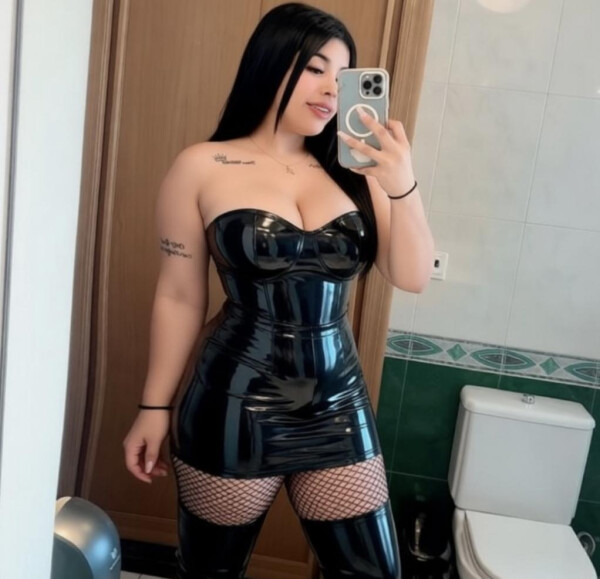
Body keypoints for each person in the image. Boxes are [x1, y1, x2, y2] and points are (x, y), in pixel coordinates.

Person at [122, 3, 434, 578]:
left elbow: (412, 276)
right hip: (235, 401)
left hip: (338, 405)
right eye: (314, 68)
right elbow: (180, 297)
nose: (330, 90)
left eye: (340, 75)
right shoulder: (202, 166)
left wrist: (402, 183)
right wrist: (154, 406)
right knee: (211, 572)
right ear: (271, 63)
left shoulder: (358, 173)